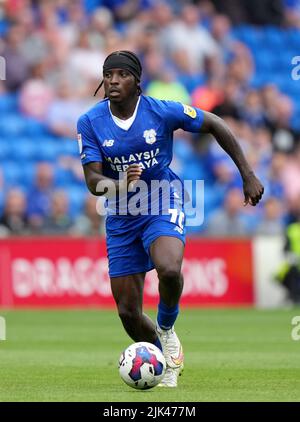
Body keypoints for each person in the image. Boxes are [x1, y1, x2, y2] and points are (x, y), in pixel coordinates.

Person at [77, 50, 264, 387]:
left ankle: (166, 327)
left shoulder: (161, 111)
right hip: (121, 213)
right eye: (109, 75)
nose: (113, 81)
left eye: (121, 75)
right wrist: (119, 184)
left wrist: (247, 174)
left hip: (162, 198)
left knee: (169, 268)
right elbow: (93, 182)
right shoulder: (90, 122)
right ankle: (163, 358)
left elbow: (215, 123)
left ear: (137, 82)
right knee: (128, 312)